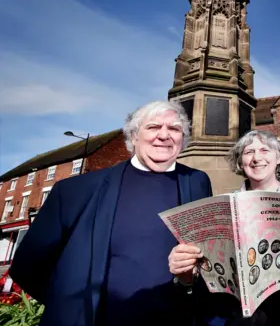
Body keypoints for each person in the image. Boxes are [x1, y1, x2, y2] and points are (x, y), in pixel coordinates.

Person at [9, 100, 213, 326]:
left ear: (182, 140)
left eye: (174, 128)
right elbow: (28, 266)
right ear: (134, 136)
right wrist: (70, 308)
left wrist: (188, 281)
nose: (164, 135)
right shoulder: (75, 191)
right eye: (153, 127)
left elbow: (207, 257)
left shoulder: (197, 182)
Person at [169, 130, 280, 326]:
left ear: (279, 159)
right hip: (238, 317)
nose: (257, 158)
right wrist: (189, 267)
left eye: (265, 150)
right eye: (249, 152)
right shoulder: (224, 207)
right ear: (240, 162)